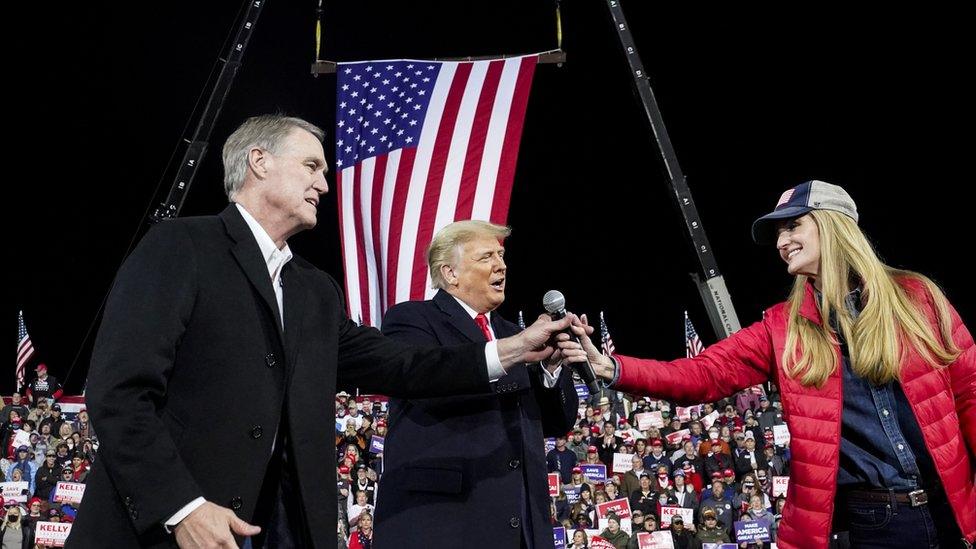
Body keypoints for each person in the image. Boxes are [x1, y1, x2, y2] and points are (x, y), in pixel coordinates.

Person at [68, 115, 578, 549]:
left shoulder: (316, 291)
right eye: (311, 166)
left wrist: (511, 350)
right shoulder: (181, 247)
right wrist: (181, 506)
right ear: (259, 162)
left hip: (283, 529)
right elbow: (119, 392)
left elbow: (400, 364)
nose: (325, 184)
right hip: (167, 528)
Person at [564, 180, 976, 548]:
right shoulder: (780, 327)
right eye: (779, 232)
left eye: (793, 225)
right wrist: (612, 368)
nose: (782, 242)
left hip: (955, 510)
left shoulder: (917, 298)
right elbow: (702, 373)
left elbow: (971, 395)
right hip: (874, 523)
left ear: (833, 225)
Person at [373, 220, 579, 548]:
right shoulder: (410, 320)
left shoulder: (516, 333)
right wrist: (514, 351)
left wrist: (550, 371)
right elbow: (431, 380)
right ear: (450, 273)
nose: (501, 265)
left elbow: (556, 423)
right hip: (442, 524)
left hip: (523, 527)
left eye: (501, 255)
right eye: (486, 257)